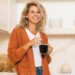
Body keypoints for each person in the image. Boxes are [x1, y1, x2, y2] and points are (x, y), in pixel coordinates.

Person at [8, 1, 53, 75]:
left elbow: (46, 61)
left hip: (43, 71)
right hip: (27, 72)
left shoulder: (43, 36)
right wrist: (29, 43)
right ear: (26, 15)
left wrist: (48, 53)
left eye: (38, 12)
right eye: (32, 12)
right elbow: (12, 57)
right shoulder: (17, 32)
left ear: (41, 15)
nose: (36, 14)